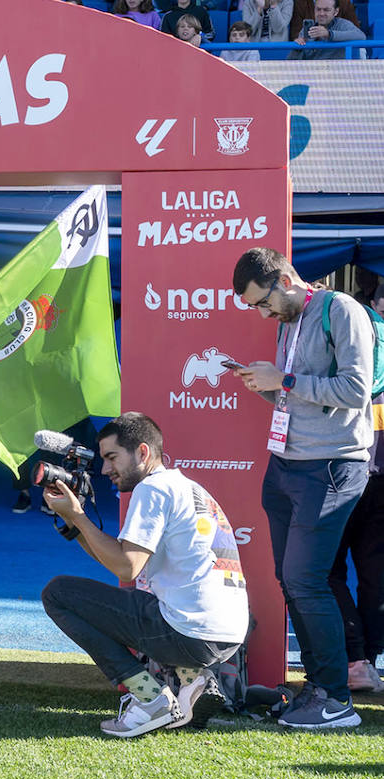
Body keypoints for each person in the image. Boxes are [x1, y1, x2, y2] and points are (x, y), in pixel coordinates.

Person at [230, 248, 372, 728]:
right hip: (288, 463)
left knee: (306, 581)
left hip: (331, 465)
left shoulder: (342, 310)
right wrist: (267, 385)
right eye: (254, 307)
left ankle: (335, 700)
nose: (261, 313)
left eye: (262, 303)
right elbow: (299, 392)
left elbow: (357, 391)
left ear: (286, 279)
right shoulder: (289, 319)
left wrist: (284, 378)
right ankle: (319, 688)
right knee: (292, 581)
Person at [42, 413, 248, 737]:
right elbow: (117, 560)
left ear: (142, 453)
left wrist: (79, 517)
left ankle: (150, 699)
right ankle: (191, 677)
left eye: (112, 458)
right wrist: (74, 523)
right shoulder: (185, 486)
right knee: (128, 602)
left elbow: (126, 567)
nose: (106, 469)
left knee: (58, 594)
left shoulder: (152, 488)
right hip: (227, 634)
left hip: (190, 630)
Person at [327, 283, 384, 693]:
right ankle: (369, 660)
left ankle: (356, 658)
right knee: (375, 573)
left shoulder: (347, 328)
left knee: (322, 570)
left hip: (341, 468)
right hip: (375, 474)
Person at [290, 0, 365, 60]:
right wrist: (297, 48)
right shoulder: (308, 28)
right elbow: (291, 61)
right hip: (313, 72)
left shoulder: (342, 24)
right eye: (318, 9)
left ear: (336, 12)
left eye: (326, 10)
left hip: (336, 72)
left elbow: (361, 36)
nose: (321, 13)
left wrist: (329, 34)